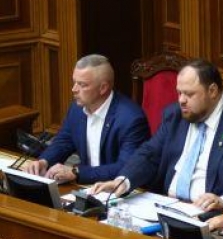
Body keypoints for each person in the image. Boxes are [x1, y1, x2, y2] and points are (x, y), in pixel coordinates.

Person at [91, 59, 223, 212]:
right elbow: (150, 153)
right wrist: (123, 181)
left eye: (189, 94)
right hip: (165, 206)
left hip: (212, 215)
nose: (181, 100)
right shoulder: (175, 115)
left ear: (212, 91)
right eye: (179, 93)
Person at [23, 54, 150, 184]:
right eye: (74, 82)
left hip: (116, 188)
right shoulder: (77, 109)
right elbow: (64, 141)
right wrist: (44, 161)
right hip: (86, 185)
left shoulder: (131, 119)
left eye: (82, 85)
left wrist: (77, 172)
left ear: (103, 88)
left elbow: (126, 167)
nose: (74, 89)